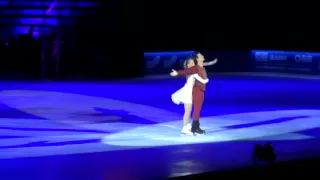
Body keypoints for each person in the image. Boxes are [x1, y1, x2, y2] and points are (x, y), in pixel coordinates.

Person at [170, 52, 217, 135]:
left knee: (190, 110)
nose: (192, 64)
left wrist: (212, 62)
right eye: (200, 56)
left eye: (193, 62)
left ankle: (189, 127)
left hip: (197, 90)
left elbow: (204, 64)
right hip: (192, 91)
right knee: (192, 110)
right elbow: (185, 71)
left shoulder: (198, 67)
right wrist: (177, 73)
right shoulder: (194, 69)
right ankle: (192, 128)